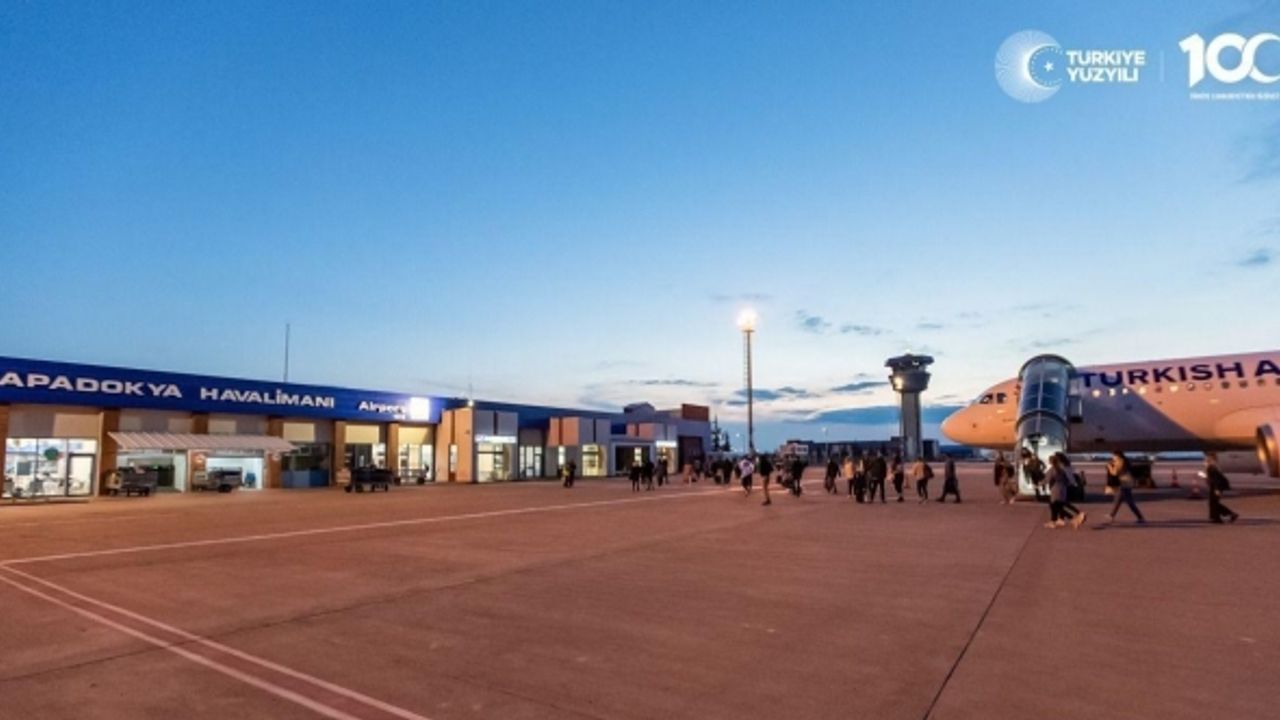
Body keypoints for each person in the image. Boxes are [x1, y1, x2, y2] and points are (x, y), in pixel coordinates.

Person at [1045, 453, 1085, 529]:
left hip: (1058, 489)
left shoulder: (1060, 468)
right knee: (1060, 504)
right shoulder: (1065, 466)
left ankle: (1076, 516)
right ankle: (1061, 519)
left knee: (1057, 505)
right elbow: (1070, 478)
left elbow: (1048, 478)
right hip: (1064, 488)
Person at [1104, 451, 1145, 523]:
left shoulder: (1120, 461)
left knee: (1128, 502)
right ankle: (1112, 515)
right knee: (1118, 500)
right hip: (1125, 482)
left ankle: (1140, 518)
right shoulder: (1121, 461)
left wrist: (1109, 466)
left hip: (1124, 483)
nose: (1112, 457)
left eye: (1113, 456)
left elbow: (1115, 472)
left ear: (1117, 455)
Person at [1204, 453, 1239, 524]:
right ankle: (1216, 517)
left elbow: (1216, 480)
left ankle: (1224, 515)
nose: (1204, 462)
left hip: (1216, 487)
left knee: (1213, 503)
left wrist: (1217, 489)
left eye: (1206, 460)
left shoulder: (1211, 468)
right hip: (1215, 487)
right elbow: (1212, 479)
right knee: (1213, 503)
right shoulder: (1212, 468)